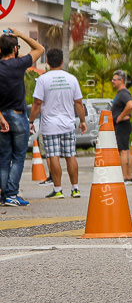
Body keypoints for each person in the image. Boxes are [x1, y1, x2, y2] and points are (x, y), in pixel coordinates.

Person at [29, 48, 87, 199]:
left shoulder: (43, 79)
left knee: (53, 155)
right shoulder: (71, 78)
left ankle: (58, 189)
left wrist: (30, 121)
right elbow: (79, 103)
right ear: (62, 61)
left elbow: (37, 103)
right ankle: (75, 189)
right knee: (70, 155)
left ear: (47, 62)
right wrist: (82, 121)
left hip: (50, 125)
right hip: (68, 123)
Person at [0, 28, 45, 207]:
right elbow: (40, 49)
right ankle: (11, 194)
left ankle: (3, 194)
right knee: (18, 156)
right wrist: (20, 35)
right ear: (16, 50)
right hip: (18, 116)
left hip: (2, 117)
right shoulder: (19, 65)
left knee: (3, 156)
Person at [109, 69, 132, 184]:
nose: (112, 81)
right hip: (123, 125)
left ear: (121, 80)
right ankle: (128, 176)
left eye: (114, 79)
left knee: (123, 151)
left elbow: (131, 105)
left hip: (122, 125)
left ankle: (124, 177)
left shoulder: (124, 93)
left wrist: (120, 117)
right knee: (126, 150)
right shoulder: (121, 93)